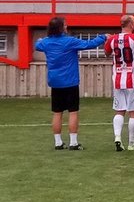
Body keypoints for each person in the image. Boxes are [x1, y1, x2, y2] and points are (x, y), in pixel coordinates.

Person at [35, 17, 107, 150]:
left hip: (55, 82)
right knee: (73, 111)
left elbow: (37, 44)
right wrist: (103, 37)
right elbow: (89, 44)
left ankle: (58, 142)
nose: (67, 27)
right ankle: (73, 142)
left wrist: (40, 40)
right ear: (61, 28)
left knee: (57, 112)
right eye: (65, 25)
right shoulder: (69, 41)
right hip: (70, 81)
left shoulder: (46, 43)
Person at [105, 15, 134, 152]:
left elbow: (107, 52)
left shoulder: (112, 39)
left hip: (118, 80)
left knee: (119, 110)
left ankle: (118, 137)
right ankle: (131, 143)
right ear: (130, 24)